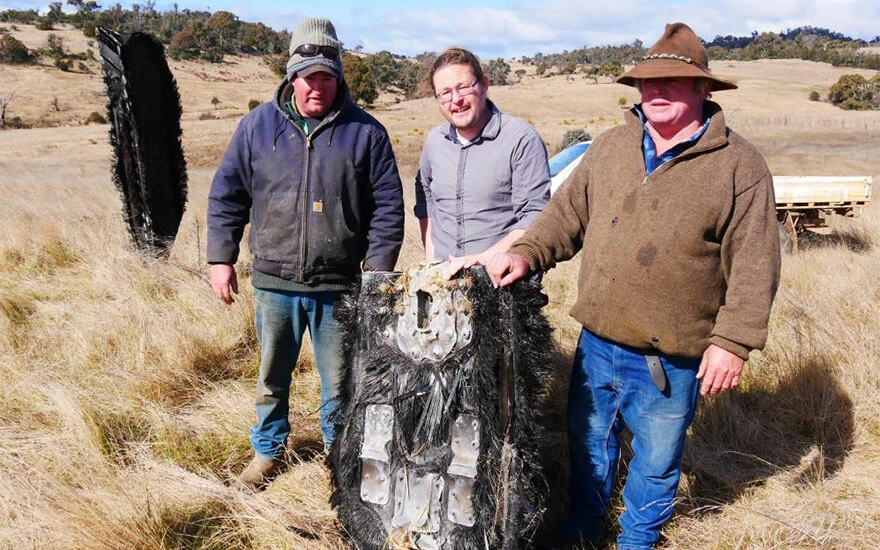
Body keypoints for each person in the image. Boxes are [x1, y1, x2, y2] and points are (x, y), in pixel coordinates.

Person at [486, 23, 780, 549]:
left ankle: (637, 540)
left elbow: (755, 263)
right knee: (588, 443)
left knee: (657, 459)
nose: (657, 90)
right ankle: (582, 531)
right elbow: (564, 219)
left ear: (703, 88)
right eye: (648, 81)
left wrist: (733, 342)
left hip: (672, 356)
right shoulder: (610, 148)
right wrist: (524, 254)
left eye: (672, 81)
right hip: (597, 342)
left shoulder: (740, 165)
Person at [207, 17, 404, 491]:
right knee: (271, 378)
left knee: (340, 381)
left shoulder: (367, 133)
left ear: (339, 77)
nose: (318, 87)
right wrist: (221, 258)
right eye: (309, 77)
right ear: (292, 76)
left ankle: (339, 454)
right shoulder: (256, 127)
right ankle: (267, 451)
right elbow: (227, 196)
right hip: (274, 283)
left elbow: (388, 208)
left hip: (340, 287)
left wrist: (377, 273)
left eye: (327, 77)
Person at [413, 47, 551, 276]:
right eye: (445, 93)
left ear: (484, 85)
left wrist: (482, 260)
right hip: (443, 279)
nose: (456, 100)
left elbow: (535, 215)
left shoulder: (520, 138)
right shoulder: (434, 142)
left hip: (502, 281)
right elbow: (425, 192)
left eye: (464, 87)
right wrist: (431, 254)